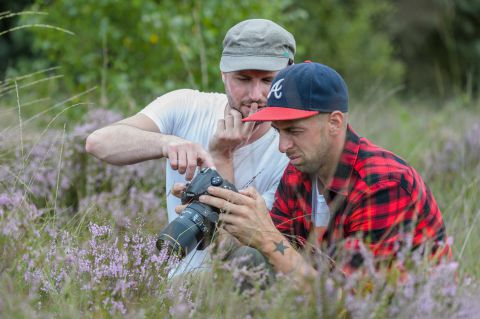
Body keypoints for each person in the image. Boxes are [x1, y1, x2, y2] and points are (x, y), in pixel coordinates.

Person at [198, 62, 451, 281]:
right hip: (324, 298)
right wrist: (221, 218)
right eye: (278, 131)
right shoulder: (299, 173)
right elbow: (278, 254)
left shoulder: (383, 185)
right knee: (249, 260)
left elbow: (352, 305)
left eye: (295, 131)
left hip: (408, 308)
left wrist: (265, 236)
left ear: (335, 122)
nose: (282, 146)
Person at [85, 19, 295, 273]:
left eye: (267, 80)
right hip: (175, 291)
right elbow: (99, 142)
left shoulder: (289, 151)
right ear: (223, 75)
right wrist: (167, 142)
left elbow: (226, 250)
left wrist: (222, 157)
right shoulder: (188, 106)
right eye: (243, 78)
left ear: (287, 78)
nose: (255, 94)